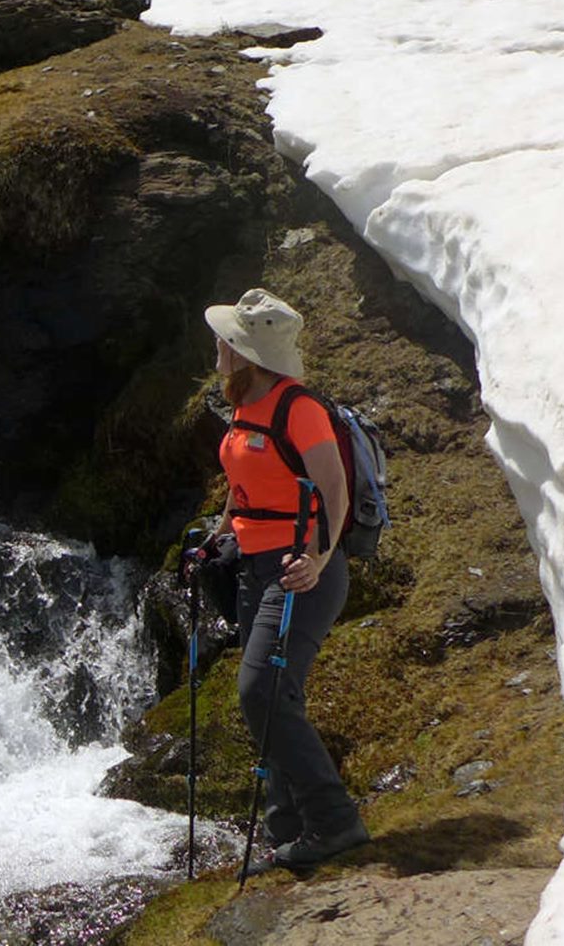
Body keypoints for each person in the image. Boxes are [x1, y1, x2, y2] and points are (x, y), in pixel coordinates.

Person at [193, 287, 369, 869]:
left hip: (298, 573)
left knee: (261, 691)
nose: (218, 346)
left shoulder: (300, 409)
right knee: (273, 696)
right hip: (254, 565)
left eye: (227, 340)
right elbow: (245, 483)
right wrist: (222, 533)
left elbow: (335, 488)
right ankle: (284, 831)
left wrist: (317, 559)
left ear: (246, 352)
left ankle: (335, 823)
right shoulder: (246, 403)